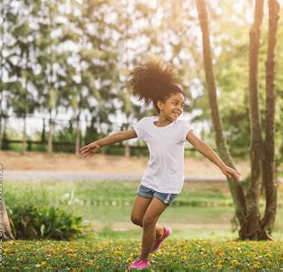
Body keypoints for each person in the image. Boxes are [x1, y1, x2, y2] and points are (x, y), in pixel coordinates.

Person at [80, 60, 241, 270]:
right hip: (151, 179)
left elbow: (202, 146)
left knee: (148, 221)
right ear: (160, 104)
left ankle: (143, 259)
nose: (179, 108)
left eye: (182, 105)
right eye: (175, 103)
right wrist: (99, 143)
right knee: (136, 218)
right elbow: (123, 135)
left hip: (169, 183)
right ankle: (161, 232)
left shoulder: (181, 127)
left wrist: (222, 166)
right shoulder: (147, 125)